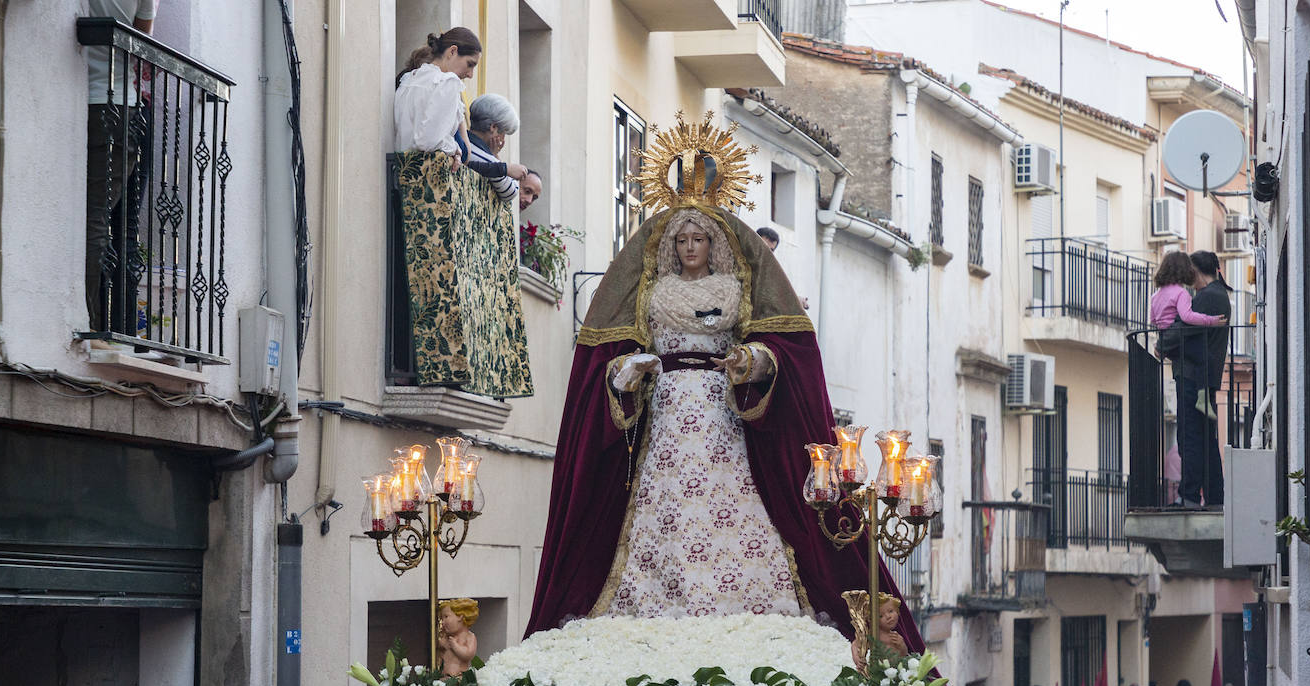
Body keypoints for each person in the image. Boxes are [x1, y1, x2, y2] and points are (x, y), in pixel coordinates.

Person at [525, 127, 921, 643]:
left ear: (715, 244)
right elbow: (612, 363)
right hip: (666, 415)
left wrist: (749, 360)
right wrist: (632, 370)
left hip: (720, 415)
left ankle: (748, 613)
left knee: (739, 503)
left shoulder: (737, 291)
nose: (691, 247)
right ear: (671, 246)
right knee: (660, 508)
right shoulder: (653, 292)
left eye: (700, 239)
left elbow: (778, 352)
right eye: (683, 240)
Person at [85, 0, 156, 333]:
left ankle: (105, 323)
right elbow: (142, 39)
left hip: (83, 94)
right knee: (102, 219)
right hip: (121, 104)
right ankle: (93, 321)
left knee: (96, 218)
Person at [1175, 251, 1233, 508]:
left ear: (1196, 271)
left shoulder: (1206, 298)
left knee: (1190, 436)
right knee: (1206, 439)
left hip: (1193, 379)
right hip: (1206, 380)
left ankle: (1188, 496)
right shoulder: (1219, 296)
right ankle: (1214, 498)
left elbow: (1180, 330)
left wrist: (1161, 344)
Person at [393, 29, 481, 166]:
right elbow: (427, 141)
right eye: (470, 64)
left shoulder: (409, 78)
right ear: (452, 51)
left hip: (398, 175)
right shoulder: (447, 82)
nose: (470, 75)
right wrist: (455, 149)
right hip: (425, 179)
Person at [465, 94, 530, 202]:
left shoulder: (465, 141)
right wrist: (495, 158)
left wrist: (493, 155)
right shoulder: (473, 150)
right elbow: (511, 191)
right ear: (493, 127)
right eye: (503, 133)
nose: (502, 139)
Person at [1151, 251, 1228, 330]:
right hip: (1178, 337)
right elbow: (1187, 316)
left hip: (1164, 337)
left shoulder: (1155, 296)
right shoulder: (1181, 293)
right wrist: (1211, 321)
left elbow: (1153, 320)